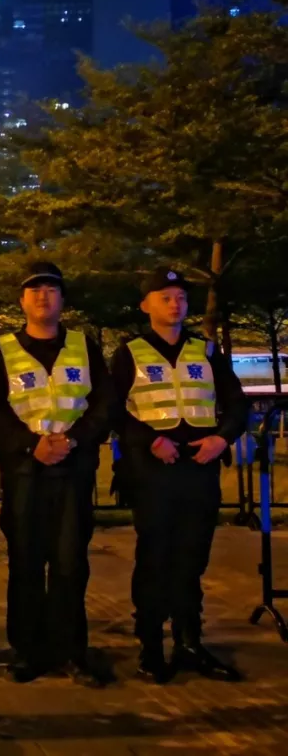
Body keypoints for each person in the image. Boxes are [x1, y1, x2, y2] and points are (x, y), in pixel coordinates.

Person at [111, 268, 246, 684]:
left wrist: (221, 439)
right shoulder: (130, 353)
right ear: (145, 305)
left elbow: (237, 404)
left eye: (181, 297)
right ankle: (151, 647)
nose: (176, 304)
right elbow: (113, 410)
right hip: (153, 472)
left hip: (199, 468)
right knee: (154, 558)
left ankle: (190, 642)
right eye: (165, 297)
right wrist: (151, 441)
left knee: (192, 557)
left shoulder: (205, 350)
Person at [0, 261, 114, 688]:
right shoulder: (2, 350)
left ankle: (71, 651)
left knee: (70, 563)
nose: (43, 297)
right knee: (25, 561)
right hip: (24, 472)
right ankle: (27, 651)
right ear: (22, 301)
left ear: (62, 299)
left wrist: (73, 440)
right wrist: (30, 444)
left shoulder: (83, 346)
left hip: (73, 471)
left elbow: (103, 403)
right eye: (35, 290)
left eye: (51, 290)